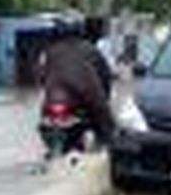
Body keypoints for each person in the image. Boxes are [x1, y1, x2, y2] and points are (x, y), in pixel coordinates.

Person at [37, 18, 115, 146]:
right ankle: (107, 151)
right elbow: (105, 75)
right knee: (108, 127)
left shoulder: (50, 51)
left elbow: (41, 76)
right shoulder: (90, 49)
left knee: (44, 114)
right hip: (82, 97)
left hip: (54, 100)